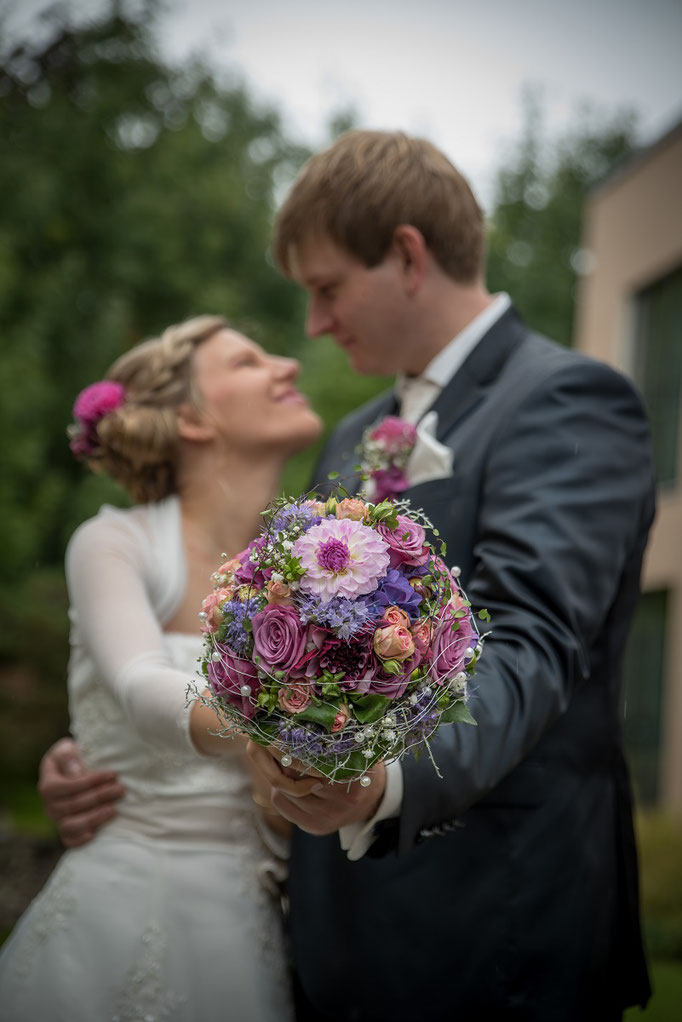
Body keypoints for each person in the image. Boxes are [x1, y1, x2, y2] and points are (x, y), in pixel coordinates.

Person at [37, 131, 654, 1022]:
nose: (315, 327)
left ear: (407, 255)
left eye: (326, 290)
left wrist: (381, 782)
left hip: (489, 927)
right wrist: (105, 760)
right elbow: (291, 655)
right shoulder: (352, 434)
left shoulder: (563, 399)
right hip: (320, 936)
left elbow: (528, 640)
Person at [0, 314, 323, 1022]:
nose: (288, 366)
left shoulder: (311, 575)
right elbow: (145, 690)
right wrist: (295, 727)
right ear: (191, 419)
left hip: (251, 931)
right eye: (248, 361)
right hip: (114, 918)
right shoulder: (113, 543)